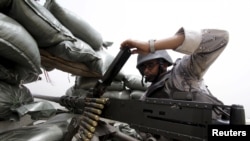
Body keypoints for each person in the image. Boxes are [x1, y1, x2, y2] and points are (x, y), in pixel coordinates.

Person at [120, 27, 229, 140]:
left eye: (150, 65)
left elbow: (220, 38)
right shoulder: (145, 98)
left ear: (164, 64)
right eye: (142, 68)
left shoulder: (184, 71)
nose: (146, 71)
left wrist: (151, 46)